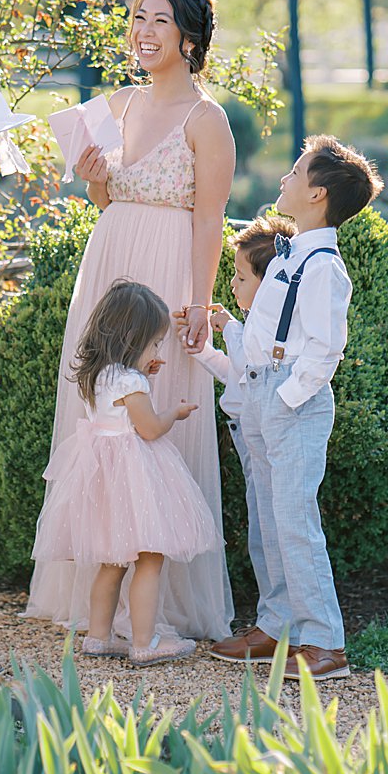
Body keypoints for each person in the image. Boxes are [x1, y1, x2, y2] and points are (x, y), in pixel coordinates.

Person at [25, 0, 237, 642]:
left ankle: (160, 601)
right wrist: (93, 182)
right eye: (138, 18)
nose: (143, 33)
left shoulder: (209, 120)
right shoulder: (116, 104)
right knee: (105, 415)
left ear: (189, 38)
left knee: (160, 408)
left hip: (171, 269)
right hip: (111, 265)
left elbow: (210, 221)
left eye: (160, 22)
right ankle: (97, 600)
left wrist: (200, 300)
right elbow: (108, 199)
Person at [203, 135, 382, 680]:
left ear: (317, 194)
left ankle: (324, 641)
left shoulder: (323, 265)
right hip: (261, 392)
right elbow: (267, 334)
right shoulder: (287, 254)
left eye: (296, 171)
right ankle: (275, 624)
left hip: (292, 404)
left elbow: (326, 348)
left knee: (295, 522)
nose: (284, 178)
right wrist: (229, 332)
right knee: (266, 519)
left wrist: (283, 398)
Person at [32, 280, 220, 666]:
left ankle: (98, 637)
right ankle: (144, 643)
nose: (156, 353)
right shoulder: (131, 381)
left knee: (113, 562)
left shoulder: (100, 375)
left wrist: (142, 373)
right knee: (150, 559)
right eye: (153, 345)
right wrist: (175, 412)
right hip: (136, 476)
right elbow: (149, 428)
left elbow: (115, 413)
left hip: (104, 478)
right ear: (133, 340)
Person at [174, 214, 298, 662]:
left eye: (241, 277)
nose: (233, 284)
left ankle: (278, 624)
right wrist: (203, 351)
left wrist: (226, 328)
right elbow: (236, 376)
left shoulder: (258, 331)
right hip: (249, 436)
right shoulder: (249, 329)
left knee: (272, 532)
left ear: (268, 284)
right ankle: (272, 620)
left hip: (266, 436)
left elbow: (247, 362)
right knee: (262, 532)